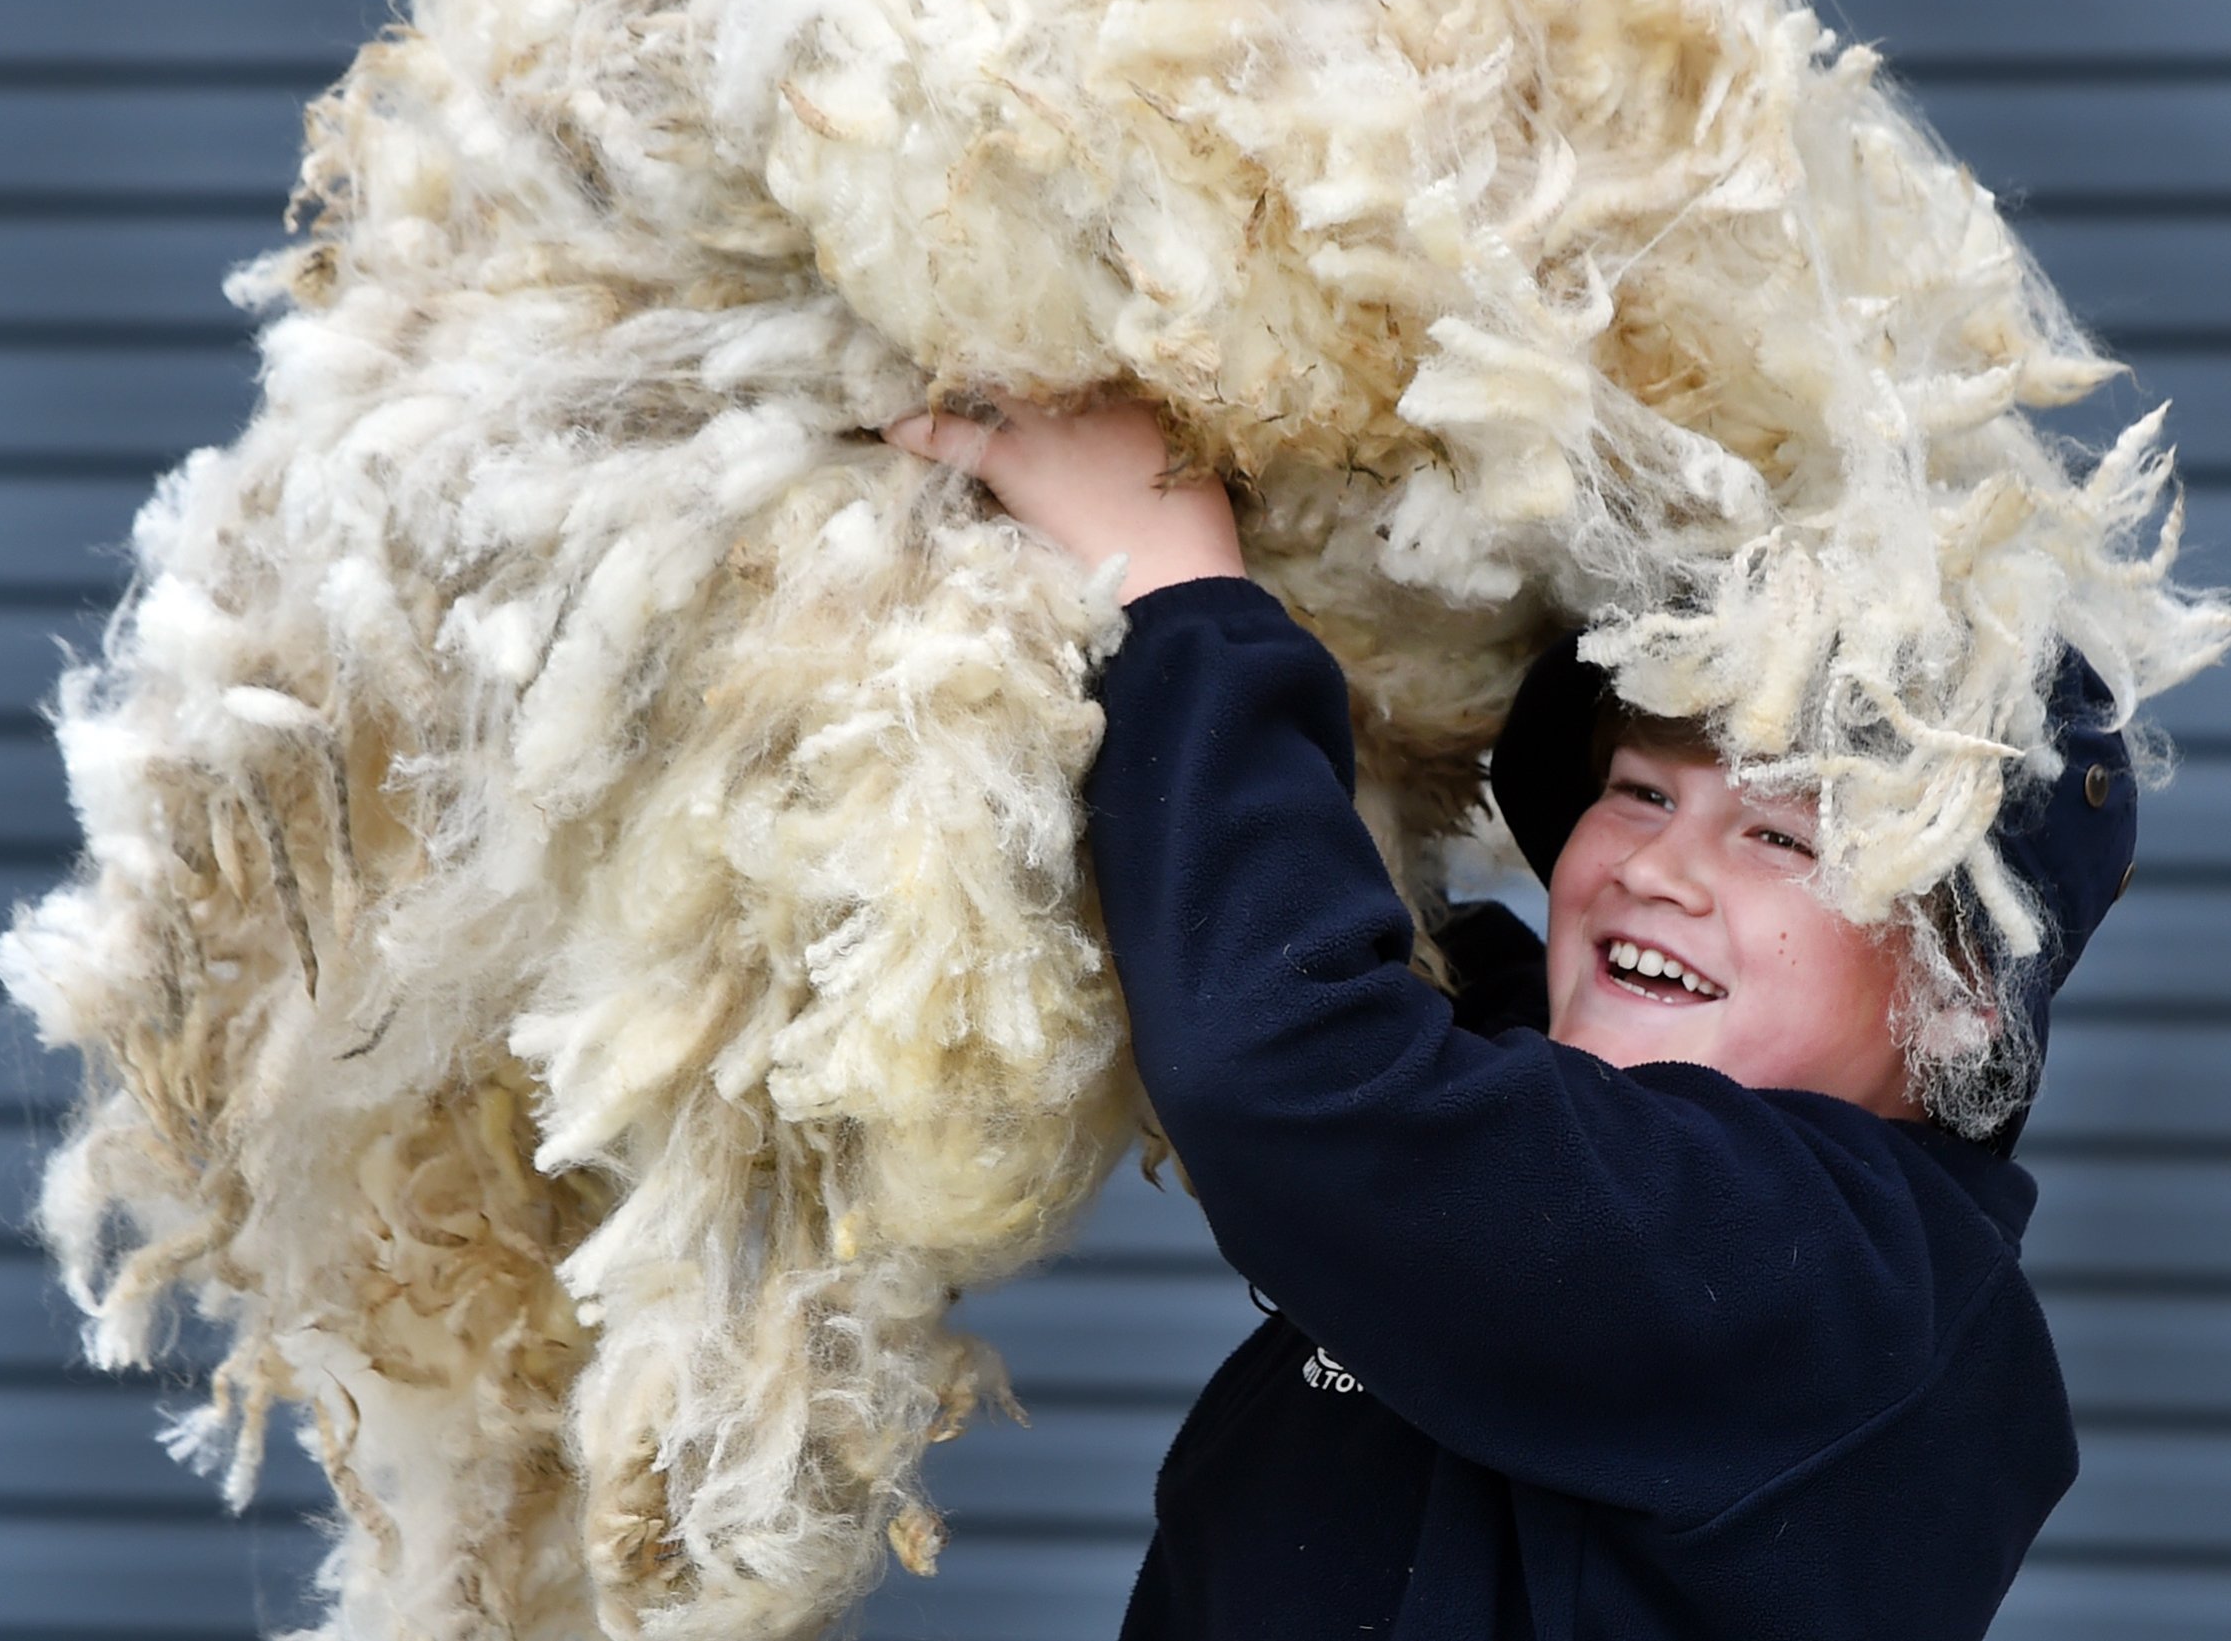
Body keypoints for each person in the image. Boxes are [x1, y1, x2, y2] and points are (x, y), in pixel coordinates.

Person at [886, 394, 2137, 1641]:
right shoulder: (1581, 1131)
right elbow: (1382, 958)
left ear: (1966, 1001)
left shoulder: (1842, 1285)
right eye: (1641, 788)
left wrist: (1174, 586)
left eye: (1778, 833)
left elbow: (1292, 1065)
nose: (1657, 865)